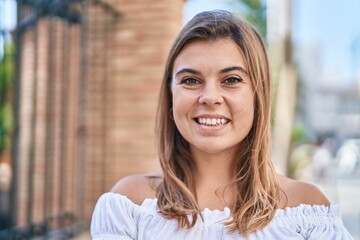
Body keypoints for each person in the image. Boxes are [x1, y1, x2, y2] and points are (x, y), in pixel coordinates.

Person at [91, 10, 353, 239]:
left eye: (231, 79)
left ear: (257, 96)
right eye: (191, 81)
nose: (210, 98)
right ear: (171, 96)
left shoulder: (307, 208)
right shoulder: (129, 205)